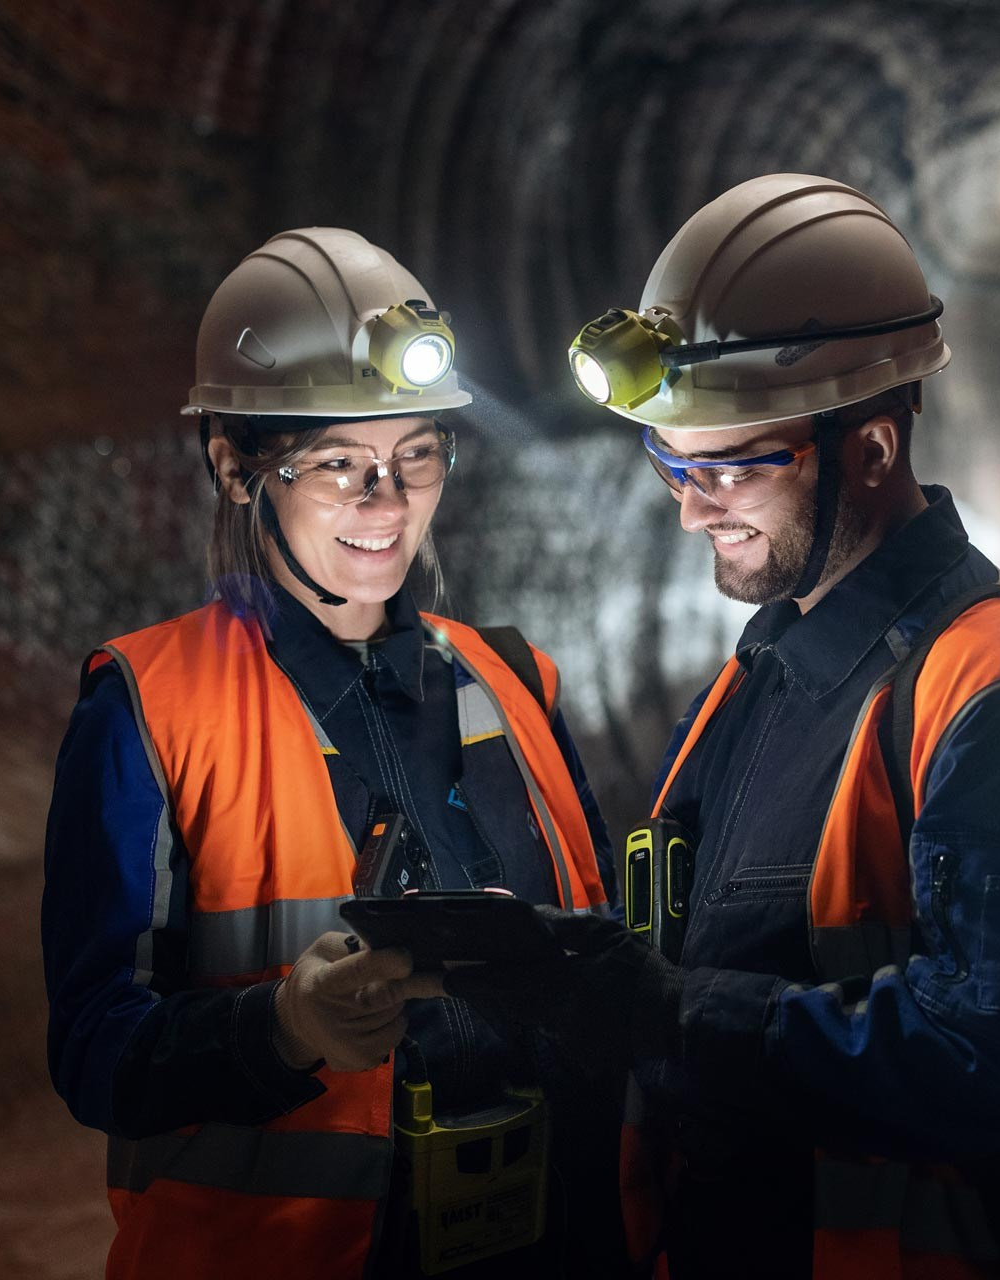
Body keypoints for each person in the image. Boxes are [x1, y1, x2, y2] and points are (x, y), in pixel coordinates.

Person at [451, 175, 1000, 1279]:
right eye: (671, 463)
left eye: (728, 465)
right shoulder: (766, 668)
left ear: (869, 449)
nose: (690, 507)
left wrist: (673, 1011)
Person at [42, 228, 622, 1279]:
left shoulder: (512, 678)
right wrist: (282, 1025)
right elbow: (94, 1051)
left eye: (417, 455)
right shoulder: (150, 704)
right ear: (235, 464)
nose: (388, 501)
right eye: (339, 464)